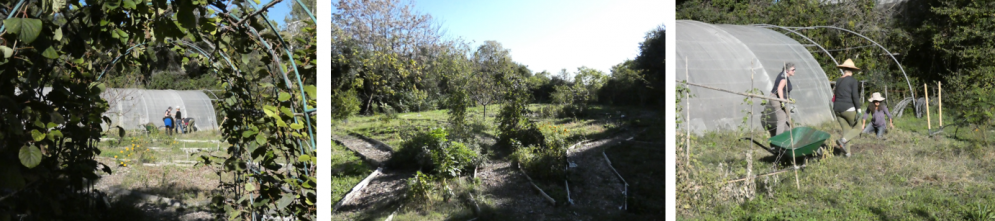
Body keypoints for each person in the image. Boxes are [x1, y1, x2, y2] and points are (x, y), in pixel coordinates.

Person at [833, 59, 862, 157]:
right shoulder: (853, 80)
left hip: (837, 109)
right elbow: (855, 96)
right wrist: (858, 109)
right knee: (858, 128)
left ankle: (847, 153)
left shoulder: (838, 80)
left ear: (844, 69)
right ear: (852, 71)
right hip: (848, 108)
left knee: (846, 130)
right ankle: (843, 140)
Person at [763, 62, 796, 137]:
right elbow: (779, 89)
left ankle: (789, 136)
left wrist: (787, 98)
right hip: (775, 99)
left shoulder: (784, 75)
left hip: (777, 98)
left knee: (787, 118)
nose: (794, 71)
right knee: (782, 118)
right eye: (793, 70)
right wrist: (782, 100)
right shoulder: (784, 77)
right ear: (787, 70)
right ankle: (778, 140)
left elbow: (784, 89)